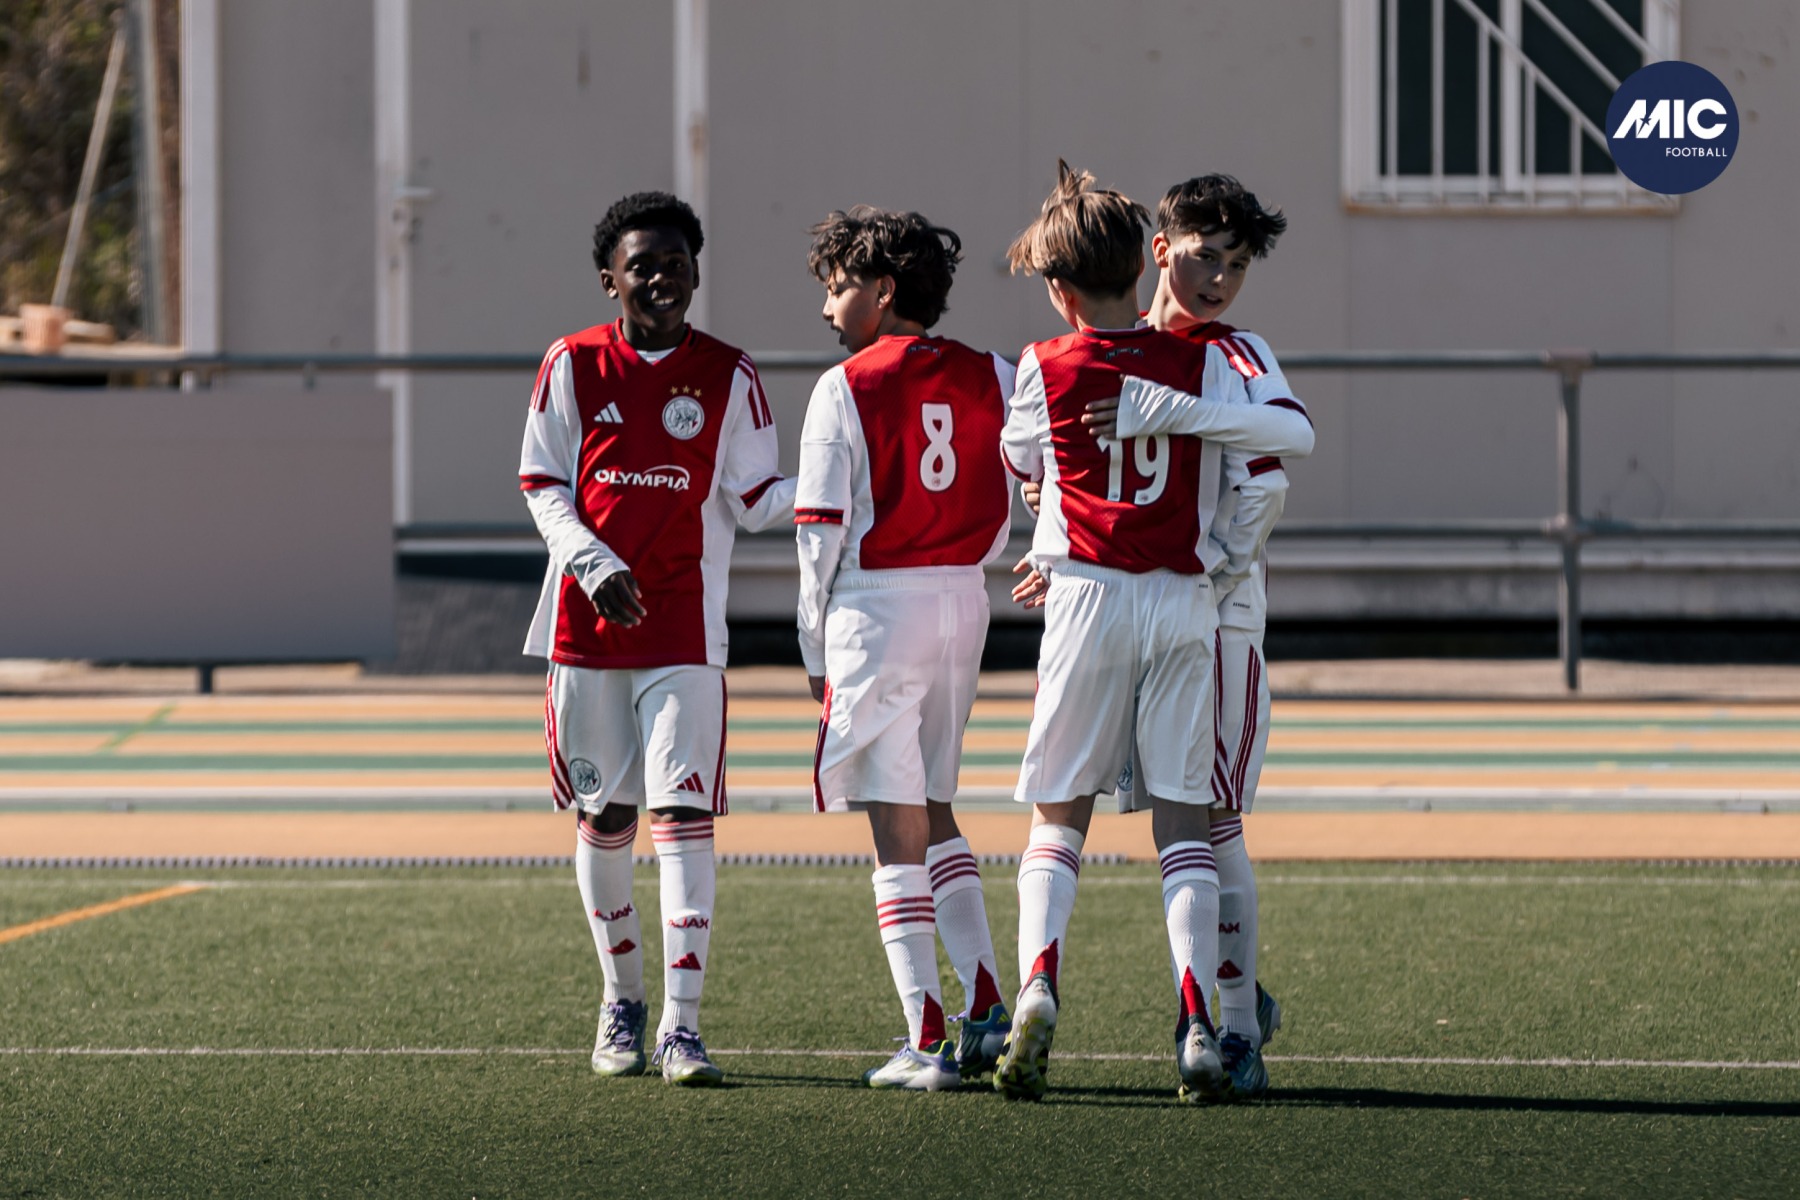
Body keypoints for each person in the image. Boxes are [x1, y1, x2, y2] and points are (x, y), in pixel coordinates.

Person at [993, 162, 1313, 1103]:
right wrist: (1052, 541)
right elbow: (1053, 479)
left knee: (1197, 816)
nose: (1221, 281)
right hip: (1170, 598)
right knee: (1192, 822)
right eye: (1208, 257)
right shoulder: (1182, 353)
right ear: (1155, 254)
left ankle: (1228, 1019)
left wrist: (1218, 558)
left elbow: (1280, 458)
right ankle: (1211, 1016)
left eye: (1238, 266)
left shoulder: (1225, 356)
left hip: (1206, 608)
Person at [517, 191, 795, 1087]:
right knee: (607, 817)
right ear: (611, 280)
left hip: (686, 635)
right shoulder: (571, 363)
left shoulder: (730, 374)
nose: (662, 278)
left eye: (677, 263)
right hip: (587, 634)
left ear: (696, 272)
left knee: (683, 816)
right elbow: (542, 483)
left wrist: (847, 487)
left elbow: (759, 497)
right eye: (643, 265)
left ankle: (683, 1025)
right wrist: (594, 563)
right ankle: (621, 999)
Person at [796, 206, 1016, 1091]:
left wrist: (812, 644)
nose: (828, 307)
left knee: (894, 822)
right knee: (934, 802)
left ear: (883, 291)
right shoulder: (996, 371)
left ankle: (926, 1036)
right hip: (964, 598)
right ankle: (986, 1000)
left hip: (877, 603)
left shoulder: (842, 385)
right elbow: (1041, 472)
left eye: (839, 286)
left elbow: (819, 530)